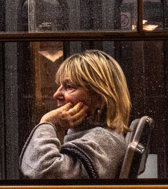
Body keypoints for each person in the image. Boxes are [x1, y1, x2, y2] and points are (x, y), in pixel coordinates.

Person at [20, 49, 131, 180]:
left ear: (99, 100)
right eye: (60, 86)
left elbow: (44, 173)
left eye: (69, 87)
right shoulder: (94, 136)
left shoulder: (104, 140)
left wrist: (48, 123)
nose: (57, 94)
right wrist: (59, 128)